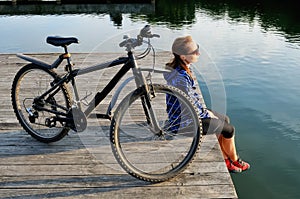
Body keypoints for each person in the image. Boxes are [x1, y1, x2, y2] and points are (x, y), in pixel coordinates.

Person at [163, 35, 250, 173]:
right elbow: (190, 106)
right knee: (229, 129)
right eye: (194, 52)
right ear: (183, 57)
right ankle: (235, 160)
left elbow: (192, 101)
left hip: (185, 116)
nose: (199, 53)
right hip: (183, 124)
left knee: (225, 120)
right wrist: (206, 114)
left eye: (197, 48)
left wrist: (206, 112)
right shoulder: (181, 78)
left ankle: (225, 158)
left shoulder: (181, 68)